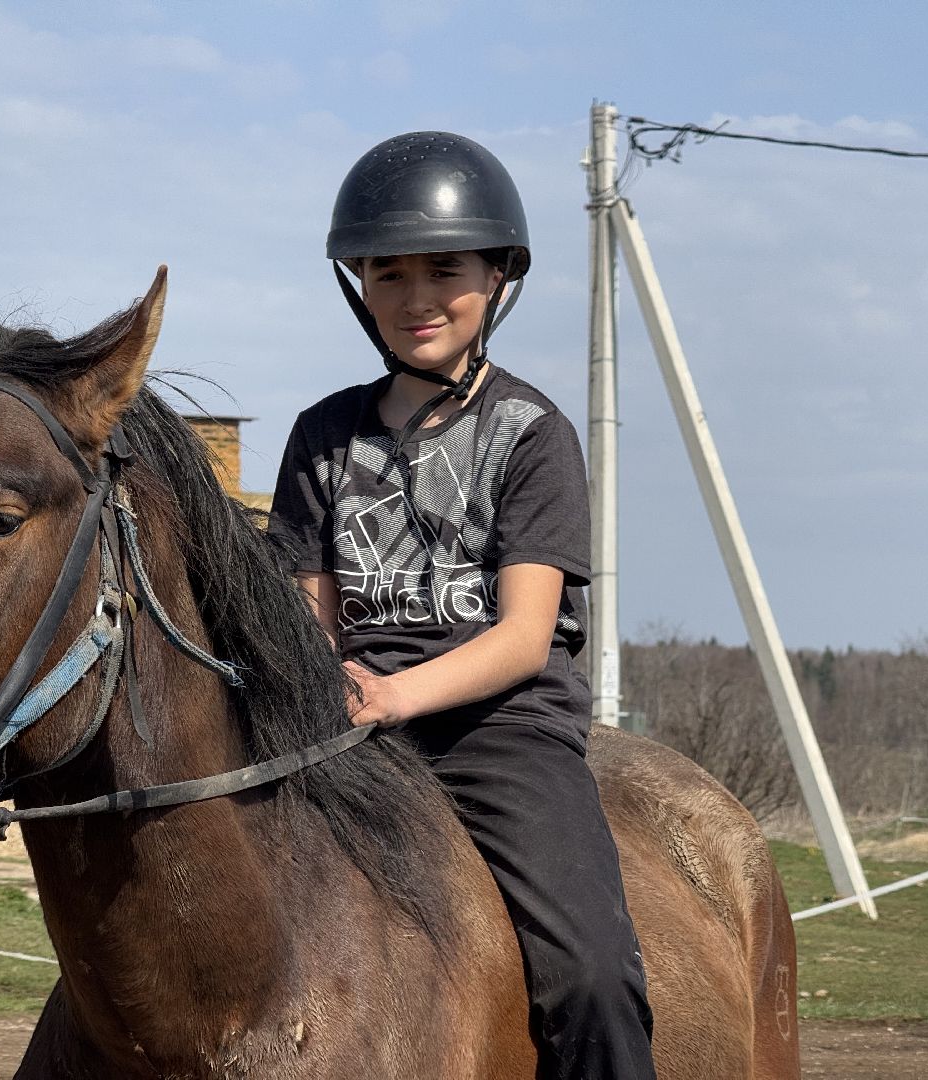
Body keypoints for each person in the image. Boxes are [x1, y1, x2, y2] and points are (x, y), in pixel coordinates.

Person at [267, 131, 657, 1080]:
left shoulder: (533, 434)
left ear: (499, 276)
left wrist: (397, 696)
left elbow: (526, 638)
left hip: (500, 730)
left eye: (445, 270)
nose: (415, 298)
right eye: (387, 273)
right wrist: (330, 695)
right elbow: (306, 621)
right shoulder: (322, 436)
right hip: (348, 725)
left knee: (594, 973)